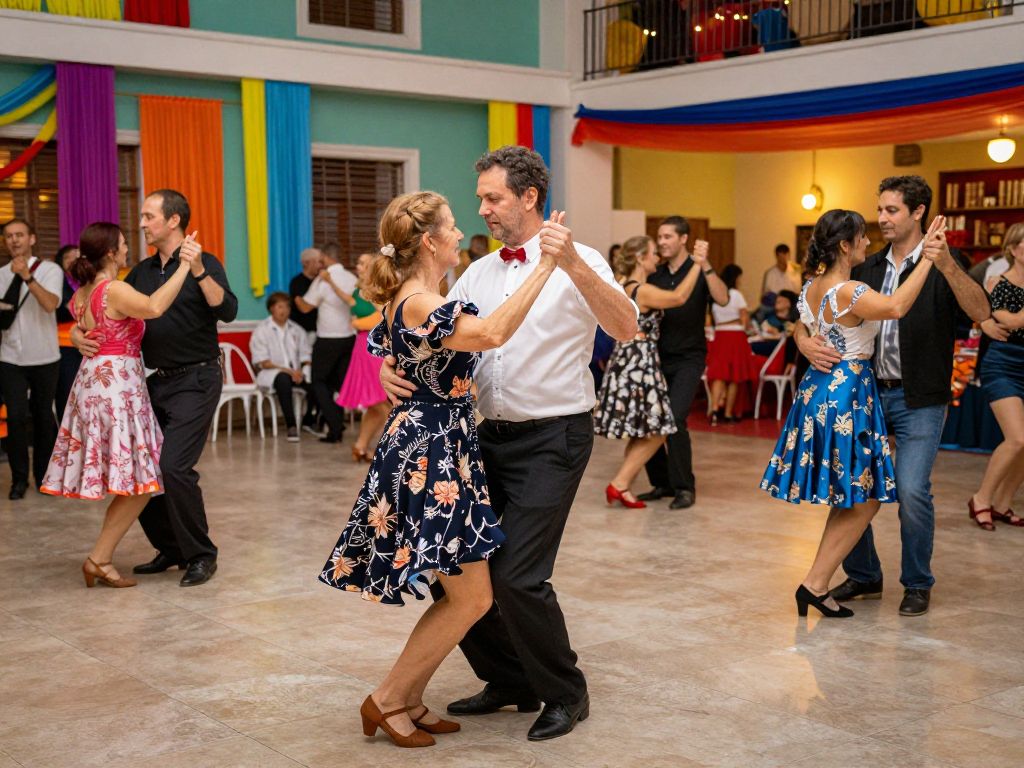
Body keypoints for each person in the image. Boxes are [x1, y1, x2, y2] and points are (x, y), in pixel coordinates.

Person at [381, 147, 638, 741]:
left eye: (492, 198)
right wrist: (388, 369)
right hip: (481, 439)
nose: (483, 209)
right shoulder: (478, 271)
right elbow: (426, 330)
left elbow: (624, 328)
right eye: (480, 199)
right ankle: (509, 679)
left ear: (528, 197)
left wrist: (571, 263)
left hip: (554, 435)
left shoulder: (583, 259)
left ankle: (566, 694)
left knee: (519, 575)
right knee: (461, 570)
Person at [318, 191, 567, 749]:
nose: (461, 234)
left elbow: (393, 348)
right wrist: (547, 266)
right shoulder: (420, 302)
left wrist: (390, 366)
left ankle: (407, 698)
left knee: (462, 594)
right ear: (430, 241)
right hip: (431, 453)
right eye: (452, 227)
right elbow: (493, 333)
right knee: (470, 597)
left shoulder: (422, 298)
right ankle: (386, 699)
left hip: (438, 444)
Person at [795, 176, 992, 616]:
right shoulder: (863, 266)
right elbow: (816, 309)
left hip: (919, 396)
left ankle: (917, 582)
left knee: (911, 489)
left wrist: (945, 266)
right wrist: (803, 341)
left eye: (891, 210)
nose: (881, 219)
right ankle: (864, 575)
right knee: (852, 490)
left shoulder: (945, 262)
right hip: (864, 396)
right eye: (879, 210)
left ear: (918, 212)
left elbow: (980, 313)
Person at [762, 210, 944, 618]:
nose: (868, 243)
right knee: (863, 500)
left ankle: (818, 584)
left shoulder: (811, 286)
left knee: (852, 496)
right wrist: (928, 259)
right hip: (847, 395)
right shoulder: (850, 290)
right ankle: (814, 582)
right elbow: (896, 306)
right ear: (845, 245)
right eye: (862, 238)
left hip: (820, 391)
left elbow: (803, 326)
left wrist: (802, 338)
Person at [72, 189, 238, 588]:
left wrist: (197, 269)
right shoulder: (142, 272)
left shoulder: (205, 262)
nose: (142, 223)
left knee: (173, 467)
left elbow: (228, 311)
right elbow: (113, 314)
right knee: (140, 468)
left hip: (198, 378)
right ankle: (171, 548)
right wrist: (80, 334)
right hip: (155, 381)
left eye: (149, 216)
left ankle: (201, 555)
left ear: (173, 221)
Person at [41, 223, 198, 587]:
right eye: (124, 245)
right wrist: (185, 267)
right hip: (117, 388)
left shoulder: (84, 292)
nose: (129, 249)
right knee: (142, 480)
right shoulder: (113, 289)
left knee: (136, 479)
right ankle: (99, 557)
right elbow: (155, 307)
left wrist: (80, 335)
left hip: (95, 382)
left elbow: (81, 323)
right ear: (111, 252)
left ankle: (101, 557)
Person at [595, 234, 707, 508]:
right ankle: (619, 483)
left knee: (642, 428)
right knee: (661, 426)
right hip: (639, 362)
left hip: (626, 359)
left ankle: (624, 486)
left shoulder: (621, 285)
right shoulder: (639, 290)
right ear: (640, 258)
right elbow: (679, 297)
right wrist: (697, 264)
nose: (658, 257)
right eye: (653, 253)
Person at [638, 215, 729, 509]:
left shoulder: (699, 270)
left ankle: (684, 487)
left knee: (675, 419)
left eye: (667, 237)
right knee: (651, 418)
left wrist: (706, 265)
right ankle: (661, 483)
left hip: (690, 357)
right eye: (660, 237)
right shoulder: (657, 275)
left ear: (683, 239)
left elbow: (723, 299)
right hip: (657, 357)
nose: (662, 242)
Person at [0, 218, 63, 500]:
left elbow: (50, 304)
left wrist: (27, 276)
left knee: (42, 417)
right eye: (9, 236)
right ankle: (18, 480)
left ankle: (44, 477)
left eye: (20, 235)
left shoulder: (50, 270)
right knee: (14, 418)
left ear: (32, 239)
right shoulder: (0, 274)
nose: (14, 240)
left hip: (45, 356)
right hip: (10, 356)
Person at [968, 222, 1024, 530]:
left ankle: (1003, 504)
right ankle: (981, 498)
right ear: (1014, 249)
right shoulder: (999, 284)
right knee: (1017, 439)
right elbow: (1011, 321)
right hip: (1003, 365)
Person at [295, 245, 357, 443]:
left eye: (321, 258)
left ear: (326, 258)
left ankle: (335, 425)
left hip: (328, 339)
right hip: (349, 337)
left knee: (319, 381)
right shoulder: (352, 278)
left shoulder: (324, 279)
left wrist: (296, 298)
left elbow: (305, 307)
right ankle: (337, 425)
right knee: (338, 382)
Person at [336, 252, 391, 463]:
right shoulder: (359, 290)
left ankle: (364, 447)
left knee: (380, 403)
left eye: (364, 263)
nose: (359, 266)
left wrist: (359, 323)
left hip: (375, 346)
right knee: (378, 404)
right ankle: (385, 452)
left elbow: (385, 316)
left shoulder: (379, 290)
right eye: (358, 263)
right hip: (363, 347)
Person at [249, 291, 312, 443]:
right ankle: (291, 426)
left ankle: (311, 421)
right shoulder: (261, 330)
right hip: (273, 374)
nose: (284, 311)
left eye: (287, 307)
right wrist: (289, 371)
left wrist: (302, 371)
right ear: (271, 308)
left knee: (317, 383)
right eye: (279, 307)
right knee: (283, 379)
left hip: (296, 374)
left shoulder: (297, 330)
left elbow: (306, 355)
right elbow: (263, 362)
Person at [706, 264, 760, 424]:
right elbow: (744, 318)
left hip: (720, 335)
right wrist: (747, 327)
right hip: (736, 335)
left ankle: (714, 409)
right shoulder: (736, 294)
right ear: (736, 277)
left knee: (719, 375)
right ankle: (729, 413)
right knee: (735, 377)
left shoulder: (715, 295)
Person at [289, 247, 322, 433]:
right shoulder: (297, 282)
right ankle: (308, 418)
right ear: (307, 263)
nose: (320, 265)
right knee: (309, 376)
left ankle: (315, 417)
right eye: (317, 261)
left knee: (319, 377)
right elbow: (303, 308)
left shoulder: (322, 281)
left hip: (321, 335)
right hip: (302, 337)